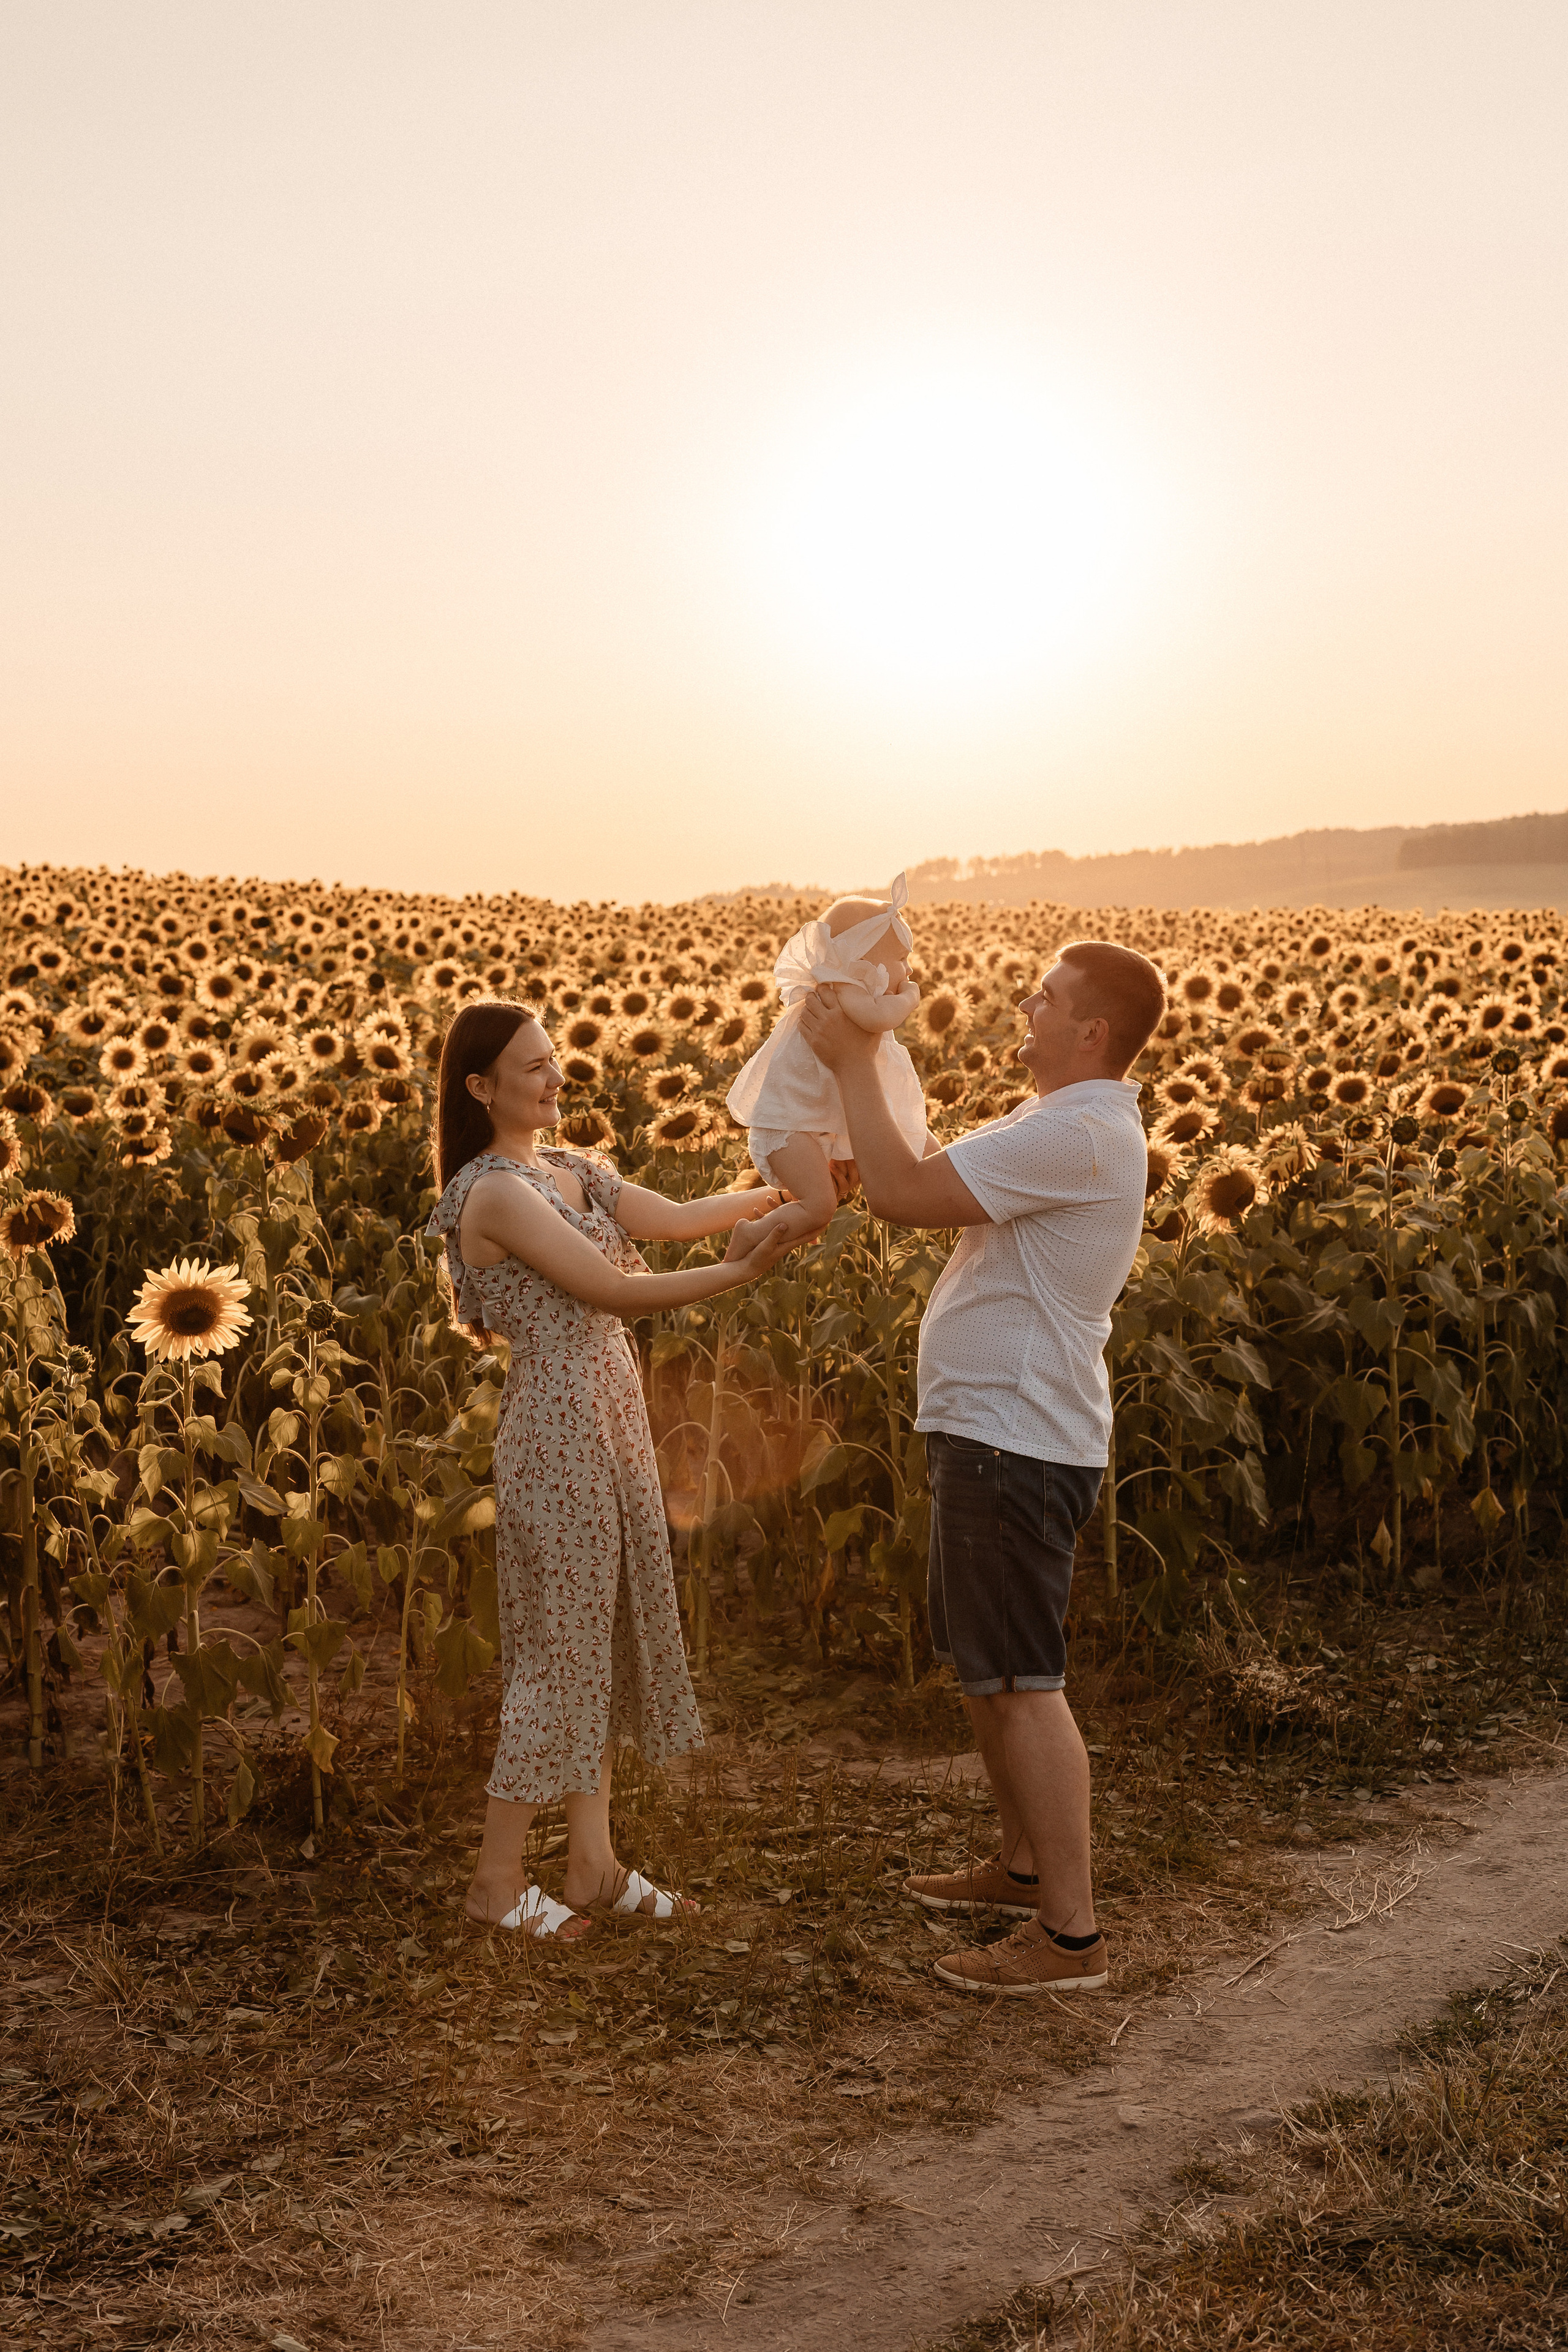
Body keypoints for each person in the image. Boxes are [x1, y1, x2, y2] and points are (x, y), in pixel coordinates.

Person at [799, 940, 1164, 1996]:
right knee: (985, 1665)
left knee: (1022, 1680)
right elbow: (917, 1176)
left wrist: (859, 1058)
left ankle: (1069, 1934)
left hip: (1016, 1434)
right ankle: (1020, 1867)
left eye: (1044, 996)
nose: (1023, 1001)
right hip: (999, 1427)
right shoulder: (1062, 1123)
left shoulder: (1078, 1132)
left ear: (1090, 1031)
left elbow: (909, 1196)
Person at [426, 999, 793, 1942]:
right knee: (559, 1652)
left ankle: (591, 1864)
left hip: (610, 1418)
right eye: (533, 1067)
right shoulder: (495, 1192)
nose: (556, 1078)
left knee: (602, 1632)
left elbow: (669, 1220)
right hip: (557, 1432)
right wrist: (743, 1273)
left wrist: (782, 1193)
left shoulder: (570, 1169)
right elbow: (615, 1291)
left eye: (556, 1060)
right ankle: (496, 1883)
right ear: (480, 1087)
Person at [725, 873, 931, 1243]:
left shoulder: (843, 992)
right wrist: (908, 999)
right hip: (789, 1128)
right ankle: (750, 1236)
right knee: (819, 1206)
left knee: (829, 1202)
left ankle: (759, 1233)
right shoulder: (846, 990)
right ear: (860, 961)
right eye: (902, 959)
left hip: (809, 1122)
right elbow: (878, 1017)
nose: (910, 970)